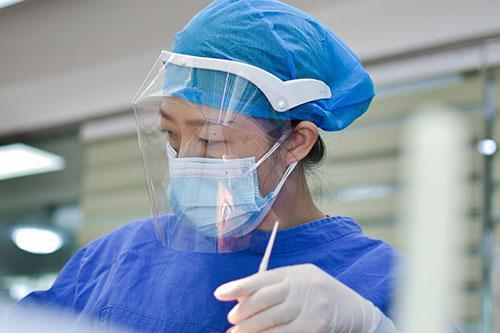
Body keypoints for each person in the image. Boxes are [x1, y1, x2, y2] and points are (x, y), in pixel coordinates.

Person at [7, 0, 405, 332]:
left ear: (296, 142)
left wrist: (374, 328)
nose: (187, 162)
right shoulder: (116, 258)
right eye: (173, 136)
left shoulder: (381, 281)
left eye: (213, 140)